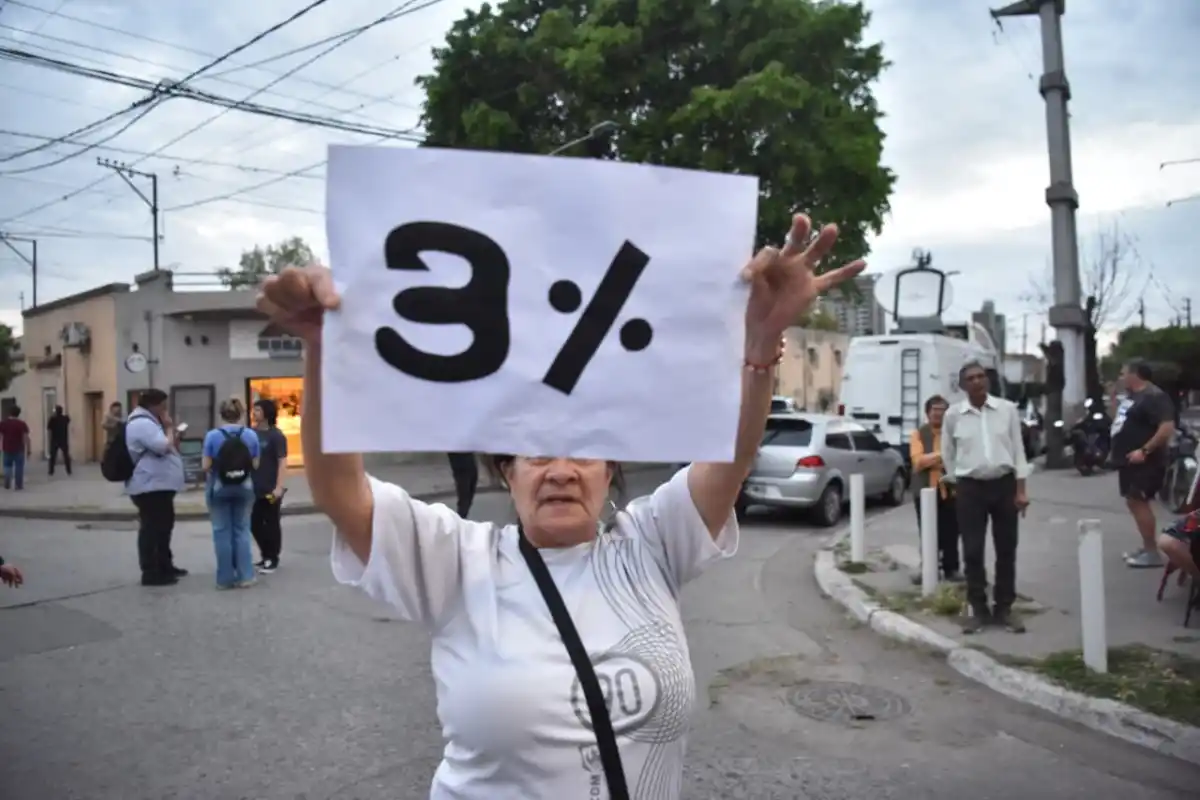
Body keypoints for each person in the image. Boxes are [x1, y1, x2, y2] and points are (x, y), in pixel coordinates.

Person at [256, 213, 865, 799]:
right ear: (508, 473)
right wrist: (323, 348)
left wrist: (761, 342)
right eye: (536, 454)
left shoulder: (651, 544)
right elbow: (342, 493)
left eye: (584, 452)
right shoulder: (455, 561)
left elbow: (731, 457)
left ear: (611, 470)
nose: (561, 471)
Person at [942, 360, 1030, 634]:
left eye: (981, 376)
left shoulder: (1007, 410)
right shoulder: (953, 415)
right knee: (972, 550)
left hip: (1004, 486)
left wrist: (1021, 489)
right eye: (971, 378)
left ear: (987, 381)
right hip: (970, 488)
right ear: (962, 385)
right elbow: (948, 453)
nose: (978, 381)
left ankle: (1004, 609)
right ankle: (978, 610)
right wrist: (957, 482)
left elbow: (1018, 450)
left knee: (1006, 549)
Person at [1110, 359, 1176, 569]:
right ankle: (1147, 546)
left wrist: (1145, 450)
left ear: (1135, 374)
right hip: (1129, 460)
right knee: (1133, 501)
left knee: (1139, 501)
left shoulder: (1154, 396)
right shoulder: (1134, 396)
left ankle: (1151, 552)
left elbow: (1166, 427)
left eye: (1123, 373)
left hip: (1146, 461)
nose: (1120, 378)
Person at [125, 389, 187, 587]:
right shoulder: (142, 423)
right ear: (153, 405)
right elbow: (161, 447)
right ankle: (151, 571)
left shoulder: (150, 422)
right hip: (149, 485)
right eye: (163, 405)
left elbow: (169, 447)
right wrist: (169, 427)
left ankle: (165, 564)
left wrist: (174, 434)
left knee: (164, 526)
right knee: (152, 528)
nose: (165, 409)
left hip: (159, 484)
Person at [202, 397, 261, 589]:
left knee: (221, 532)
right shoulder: (251, 435)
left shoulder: (212, 436)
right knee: (242, 530)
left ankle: (225, 579)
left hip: (219, 487)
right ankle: (245, 575)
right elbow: (255, 464)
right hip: (244, 487)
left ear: (221, 414)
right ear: (241, 413)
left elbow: (206, 465)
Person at [908, 394, 961, 584]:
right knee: (928, 531)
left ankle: (951, 569)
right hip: (926, 491)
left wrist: (934, 458)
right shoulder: (918, 434)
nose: (938, 415)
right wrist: (943, 456)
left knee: (952, 530)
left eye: (942, 411)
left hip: (951, 489)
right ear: (927, 413)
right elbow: (918, 461)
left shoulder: (954, 433)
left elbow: (960, 457)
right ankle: (928, 569)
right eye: (935, 411)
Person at [250, 398, 288, 573]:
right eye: (254, 410)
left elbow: (282, 462)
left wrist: (279, 487)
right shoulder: (251, 433)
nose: (254, 413)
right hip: (253, 486)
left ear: (267, 413)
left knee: (271, 523)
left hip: (270, 486)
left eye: (258, 410)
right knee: (254, 523)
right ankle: (265, 554)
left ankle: (272, 557)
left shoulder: (276, 436)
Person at [0, 405, 30, 491]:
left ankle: (7, 480)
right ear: (18, 414)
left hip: (7, 448)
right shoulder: (22, 424)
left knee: (7, 466)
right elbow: (25, 437)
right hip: (19, 449)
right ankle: (18, 485)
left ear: (10, 413)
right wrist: (28, 449)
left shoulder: (4, 423)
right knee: (19, 467)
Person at [447, 451, 479, 518]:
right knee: (464, 496)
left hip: (470, 463)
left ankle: (462, 517)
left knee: (469, 492)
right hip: (461, 467)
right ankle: (461, 518)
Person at [47, 405, 72, 476]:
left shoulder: (52, 419)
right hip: (63, 439)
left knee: (53, 456)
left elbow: (49, 428)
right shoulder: (65, 418)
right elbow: (68, 419)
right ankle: (69, 470)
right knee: (66, 455)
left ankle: (51, 471)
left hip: (54, 439)